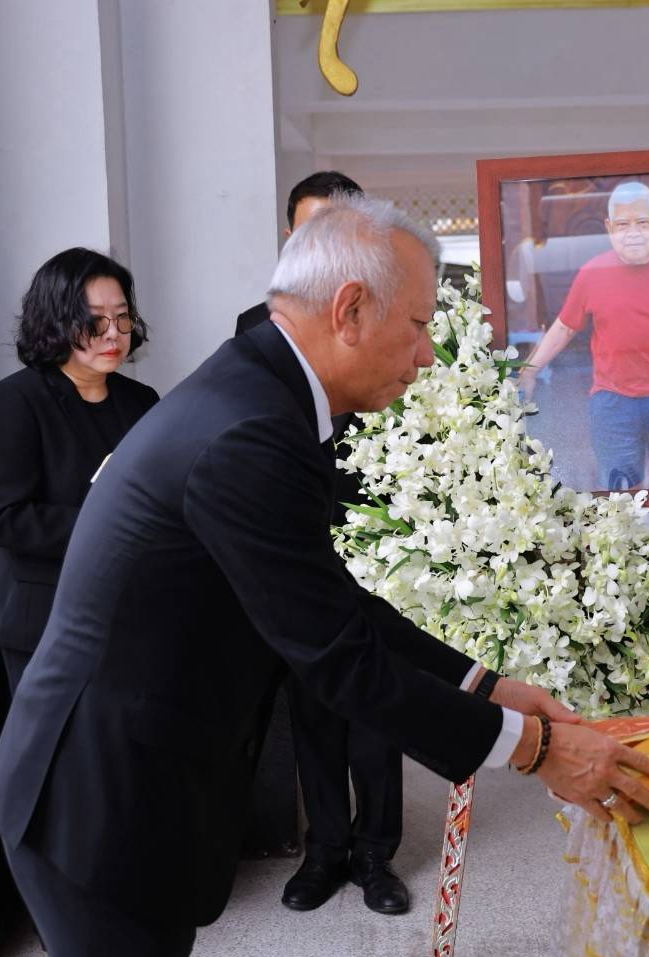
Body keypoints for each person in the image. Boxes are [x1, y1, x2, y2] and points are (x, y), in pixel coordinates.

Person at [0, 197, 649, 957]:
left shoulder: (258, 396)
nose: (425, 354)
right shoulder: (248, 429)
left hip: (132, 776)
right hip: (94, 794)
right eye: (418, 325)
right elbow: (336, 657)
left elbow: (330, 598)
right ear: (349, 310)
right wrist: (535, 749)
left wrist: (486, 685)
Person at [238, 172, 413, 918]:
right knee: (312, 704)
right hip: (298, 540)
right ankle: (326, 850)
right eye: (315, 227)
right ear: (291, 239)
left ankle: (377, 854)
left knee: (378, 705)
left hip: (378, 537)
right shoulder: (257, 327)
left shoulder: (396, 319)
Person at [0, 248, 160, 695]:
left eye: (122, 317)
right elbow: (3, 518)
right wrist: (118, 528)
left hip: (131, 612)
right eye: (94, 320)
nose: (112, 333)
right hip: (46, 620)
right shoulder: (11, 402)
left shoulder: (141, 401)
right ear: (55, 321)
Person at [517, 180, 649, 490]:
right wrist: (529, 371)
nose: (633, 232)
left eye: (642, 222)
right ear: (609, 227)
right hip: (613, 403)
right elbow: (564, 328)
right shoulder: (592, 273)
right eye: (623, 224)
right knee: (619, 496)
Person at [234, 170, 363, 337]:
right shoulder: (254, 325)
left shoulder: (391, 319)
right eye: (307, 235)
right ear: (290, 241)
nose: (322, 248)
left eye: (335, 234)